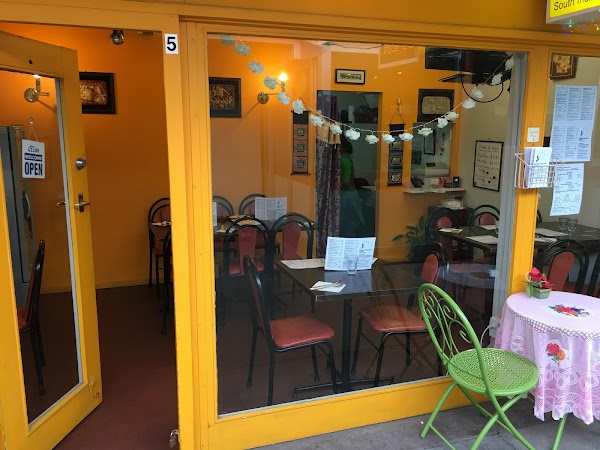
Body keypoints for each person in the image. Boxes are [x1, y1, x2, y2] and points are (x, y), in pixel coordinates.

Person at [339, 134, 366, 237]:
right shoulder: (346, 158)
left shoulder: (344, 159)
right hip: (350, 194)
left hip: (347, 196)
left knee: (347, 222)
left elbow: (346, 181)